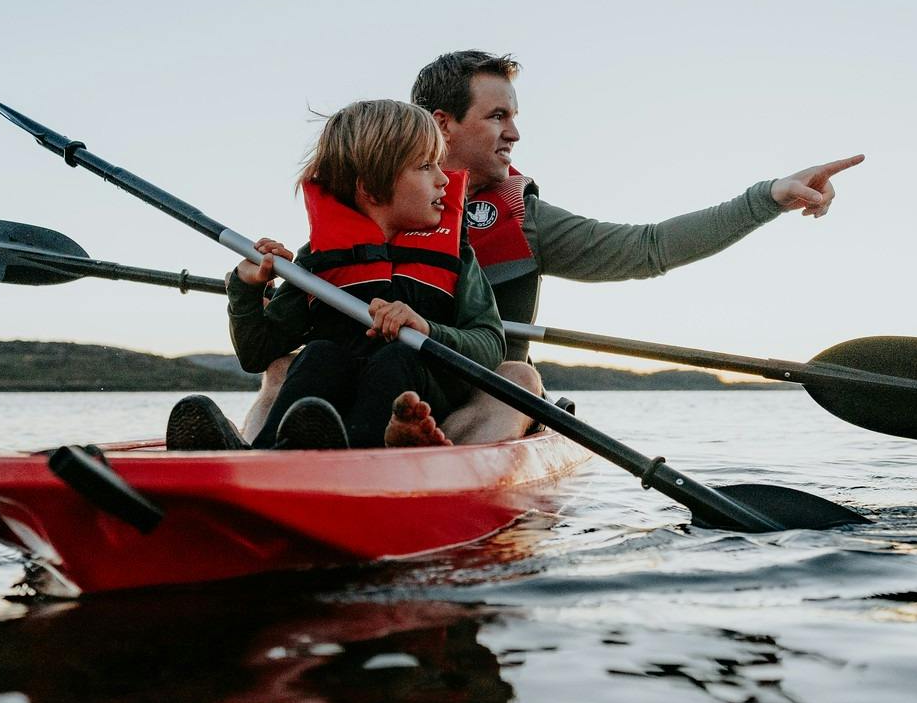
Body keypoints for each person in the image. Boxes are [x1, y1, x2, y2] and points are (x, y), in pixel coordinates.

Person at [238, 50, 865, 443]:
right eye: (496, 117)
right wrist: (254, 285)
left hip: (471, 394)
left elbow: (648, 248)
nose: (515, 132)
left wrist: (768, 197)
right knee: (288, 365)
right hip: (354, 380)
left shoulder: (525, 221)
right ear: (440, 123)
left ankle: (424, 453)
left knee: (521, 373)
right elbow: (274, 331)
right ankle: (262, 459)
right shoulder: (352, 223)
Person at [165, 99, 505, 452]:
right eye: (425, 166)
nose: (443, 180)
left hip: (421, 394)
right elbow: (257, 353)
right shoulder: (319, 259)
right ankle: (267, 453)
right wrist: (247, 289)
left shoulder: (457, 258)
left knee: (397, 357)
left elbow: (491, 345)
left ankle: (362, 451)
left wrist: (428, 330)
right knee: (320, 355)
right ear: (370, 189)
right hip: (330, 408)